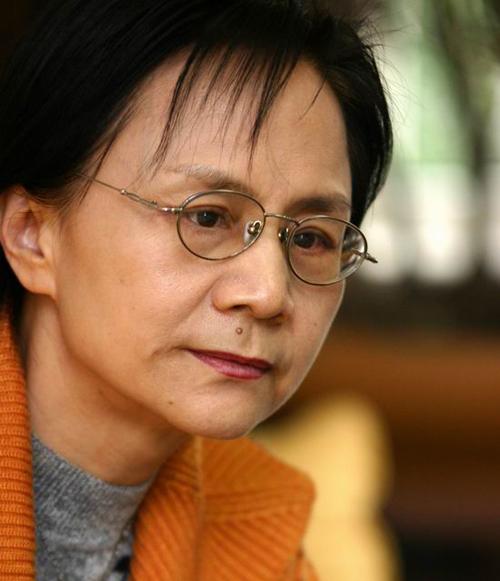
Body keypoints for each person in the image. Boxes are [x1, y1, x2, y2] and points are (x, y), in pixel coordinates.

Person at [0, 0, 392, 579]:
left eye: (311, 238)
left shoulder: (262, 547)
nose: (268, 293)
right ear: (32, 235)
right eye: (207, 217)